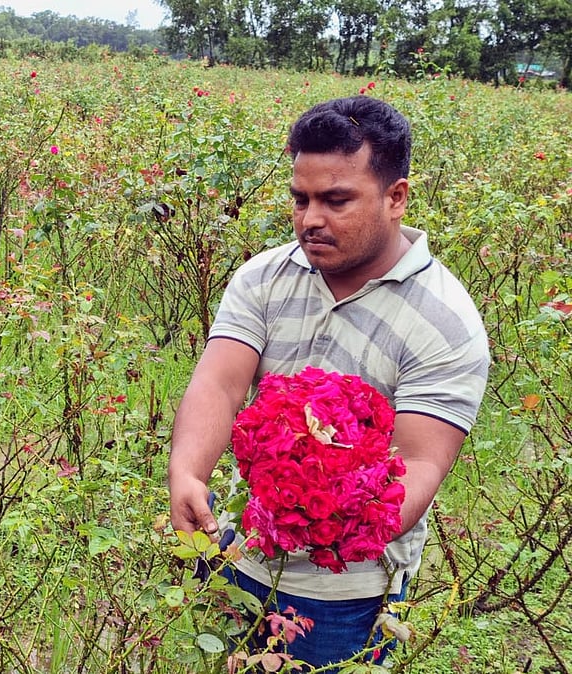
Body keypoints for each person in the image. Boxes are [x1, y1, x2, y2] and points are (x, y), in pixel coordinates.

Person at [166, 96, 490, 669]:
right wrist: (188, 471)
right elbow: (220, 382)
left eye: (336, 200)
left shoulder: (446, 324)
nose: (310, 218)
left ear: (396, 197)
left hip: (346, 595)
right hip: (238, 552)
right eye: (301, 199)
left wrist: (326, 523)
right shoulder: (266, 276)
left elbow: (420, 465)